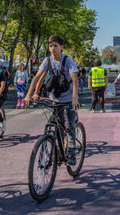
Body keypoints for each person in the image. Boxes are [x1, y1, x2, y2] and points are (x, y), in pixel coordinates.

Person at [24, 35, 80, 166]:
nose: (53, 48)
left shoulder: (68, 61)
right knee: (53, 126)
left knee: (70, 126)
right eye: (50, 46)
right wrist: (29, 94)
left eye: (55, 45)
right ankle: (53, 154)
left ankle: (71, 154)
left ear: (61, 47)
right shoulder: (47, 61)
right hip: (55, 99)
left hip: (69, 99)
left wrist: (74, 98)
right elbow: (37, 78)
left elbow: (75, 79)